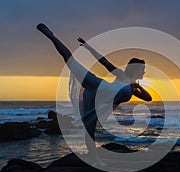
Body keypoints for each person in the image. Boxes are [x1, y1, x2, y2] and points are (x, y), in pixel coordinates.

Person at [36, 23, 152, 164]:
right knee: (70, 60)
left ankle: (94, 159)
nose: (144, 72)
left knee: (89, 130)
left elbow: (148, 98)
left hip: (99, 103)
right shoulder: (121, 75)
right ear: (136, 69)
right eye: (143, 69)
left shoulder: (133, 88)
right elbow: (104, 61)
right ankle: (51, 35)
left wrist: (137, 86)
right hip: (98, 85)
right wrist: (89, 47)